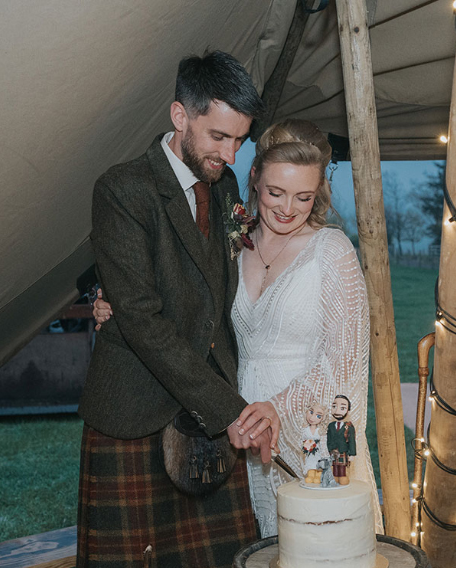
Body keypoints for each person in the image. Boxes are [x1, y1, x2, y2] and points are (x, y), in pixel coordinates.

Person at [94, 118, 382, 538]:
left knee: (320, 561)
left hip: (309, 437)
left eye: (303, 197)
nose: (287, 209)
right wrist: (113, 298)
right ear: (253, 179)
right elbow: (185, 303)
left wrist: (276, 409)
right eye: (275, 193)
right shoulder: (233, 242)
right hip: (235, 430)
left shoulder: (332, 251)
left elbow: (346, 369)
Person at [75, 51, 280, 568]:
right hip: (135, 413)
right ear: (178, 116)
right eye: (218, 136)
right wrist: (230, 409)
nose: (229, 153)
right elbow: (141, 318)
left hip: (205, 416)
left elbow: (218, 290)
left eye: (239, 140)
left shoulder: (230, 186)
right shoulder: (121, 189)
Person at [326, 394, 356, 485]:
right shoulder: (330, 426)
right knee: (334, 466)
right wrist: (327, 450)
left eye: (342, 408)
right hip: (333, 451)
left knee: (342, 467)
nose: (337, 410)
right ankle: (335, 477)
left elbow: (352, 441)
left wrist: (352, 454)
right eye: (334, 406)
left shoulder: (349, 426)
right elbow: (328, 439)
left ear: (348, 411)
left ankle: (342, 477)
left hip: (343, 451)